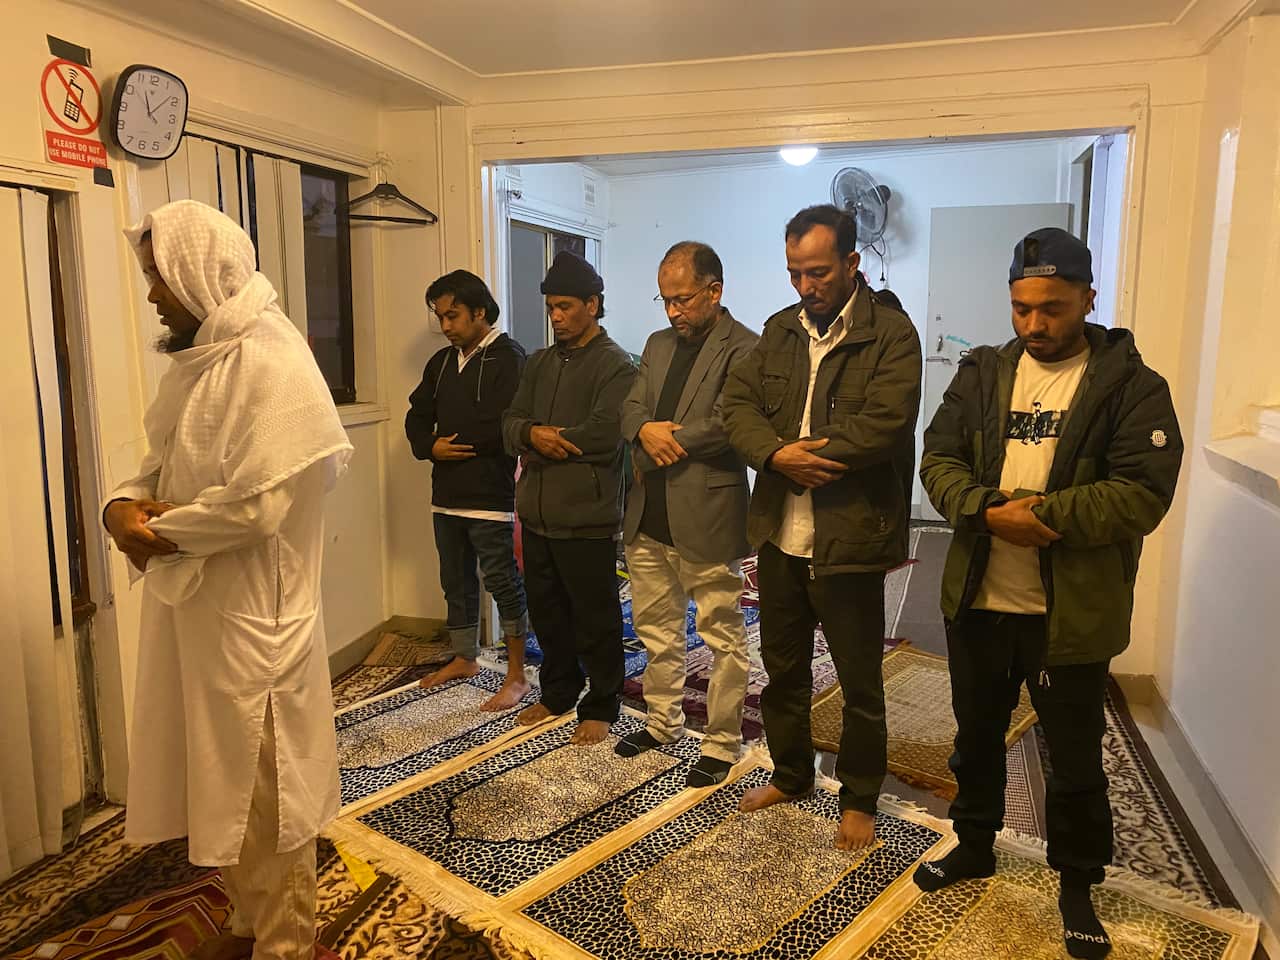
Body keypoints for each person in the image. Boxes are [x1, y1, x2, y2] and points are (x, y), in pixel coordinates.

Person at [914, 227, 1183, 960]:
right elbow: (936, 459)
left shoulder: (1132, 386)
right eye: (1022, 307)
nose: (1035, 324)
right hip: (980, 598)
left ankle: (1076, 883)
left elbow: (1142, 494)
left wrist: (1044, 518)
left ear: (1089, 300)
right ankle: (973, 845)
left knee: (1073, 757)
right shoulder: (982, 372)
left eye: (1053, 309)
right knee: (973, 740)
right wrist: (980, 509)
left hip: (1071, 614)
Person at [102, 200, 352, 960]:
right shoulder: (203, 360)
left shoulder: (273, 364)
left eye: (157, 279)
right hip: (200, 610)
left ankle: (285, 943)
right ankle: (246, 923)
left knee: (272, 794)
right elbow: (157, 464)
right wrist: (121, 506)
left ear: (195, 273)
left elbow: (257, 508)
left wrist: (155, 529)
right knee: (225, 782)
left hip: (257, 624)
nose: (151, 295)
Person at [722, 204, 922, 850]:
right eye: (795, 273)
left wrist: (815, 453)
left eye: (818, 273)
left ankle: (860, 796)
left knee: (860, 681)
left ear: (851, 263)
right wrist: (777, 455)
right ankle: (792, 773)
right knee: (782, 673)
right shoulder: (779, 330)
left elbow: (888, 422)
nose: (806, 287)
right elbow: (738, 404)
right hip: (780, 535)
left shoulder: (891, 334)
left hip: (850, 537)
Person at [614, 241, 759, 786]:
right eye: (666, 300)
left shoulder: (746, 347)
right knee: (657, 628)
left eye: (683, 299)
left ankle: (722, 741)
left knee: (721, 633)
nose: (673, 312)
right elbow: (630, 407)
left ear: (714, 291)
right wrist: (644, 430)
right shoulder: (655, 344)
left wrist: (665, 437)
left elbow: (730, 422)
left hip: (707, 512)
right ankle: (662, 722)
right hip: (648, 512)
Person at [501, 252, 636, 745]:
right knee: (548, 610)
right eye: (551, 308)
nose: (555, 316)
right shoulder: (537, 363)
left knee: (595, 615)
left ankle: (602, 702)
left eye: (564, 307)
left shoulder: (616, 365)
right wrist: (533, 434)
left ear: (592, 305)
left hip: (587, 516)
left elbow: (602, 434)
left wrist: (543, 439)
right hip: (536, 513)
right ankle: (558, 693)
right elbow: (510, 422)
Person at [406, 270, 531, 710]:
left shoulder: (509, 357)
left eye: (453, 315)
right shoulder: (440, 363)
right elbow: (416, 415)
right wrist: (429, 446)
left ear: (480, 311)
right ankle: (465, 657)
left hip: (490, 496)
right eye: (441, 317)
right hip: (446, 494)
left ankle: (517, 674)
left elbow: (507, 424)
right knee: (454, 580)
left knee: (501, 580)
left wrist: (458, 442)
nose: (446, 326)